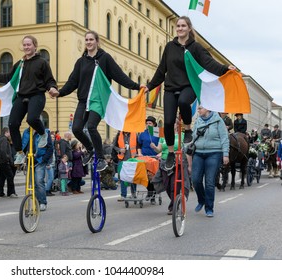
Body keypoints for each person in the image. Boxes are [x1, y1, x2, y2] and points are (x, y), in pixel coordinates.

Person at [146, 16, 235, 170]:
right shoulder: (169, 47)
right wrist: (150, 86)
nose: (180, 28)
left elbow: (209, 63)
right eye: (178, 26)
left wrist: (225, 68)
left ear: (189, 28)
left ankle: (188, 129)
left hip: (189, 86)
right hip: (170, 88)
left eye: (183, 26)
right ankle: (171, 153)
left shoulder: (196, 48)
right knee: (167, 122)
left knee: (183, 102)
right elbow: (161, 70)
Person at [50, 30, 143, 172]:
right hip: (83, 100)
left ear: (97, 42)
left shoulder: (105, 58)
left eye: (91, 39)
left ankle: (100, 158)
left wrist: (136, 86)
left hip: (98, 100)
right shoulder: (81, 62)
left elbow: (119, 76)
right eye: (86, 40)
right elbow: (72, 82)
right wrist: (59, 92)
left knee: (92, 126)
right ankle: (90, 149)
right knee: (76, 129)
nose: (88, 42)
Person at [0, 35, 58, 165]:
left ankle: (43, 133)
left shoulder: (42, 62)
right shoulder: (20, 64)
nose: (26, 47)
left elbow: (49, 80)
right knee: (12, 124)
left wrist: (52, 88)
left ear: (35, 46)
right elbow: (7, 77)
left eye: (29, 44)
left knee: (32, 119)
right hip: (21, 96)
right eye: (25, 45)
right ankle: (20, 153)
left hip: (37, 95)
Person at [191, 106, 229, 218]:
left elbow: (224, 138)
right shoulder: (198, 121)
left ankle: (209, 208)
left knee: (209, 182)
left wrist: (225, 154)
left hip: (214, 153)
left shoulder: (218, 121)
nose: (198, 110)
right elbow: (193, 137)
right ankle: (201, 200)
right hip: (198, 153)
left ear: (208, 109)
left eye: (200, 108)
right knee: (195, 179)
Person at [21, 127, 53, 211]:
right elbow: (23, 145)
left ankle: (42, 202)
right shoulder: (26, 132)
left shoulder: (45, 132)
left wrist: (44, 159)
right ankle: (36, 202)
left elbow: (50, 148)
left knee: (39, 181)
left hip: (40, 160)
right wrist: (23, 158)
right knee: (32, 183)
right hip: (29, 160)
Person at [112, 130, 140, 201]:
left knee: (133, 178)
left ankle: (133, 193)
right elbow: (114, 146)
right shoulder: (119, 134)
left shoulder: (135, 134)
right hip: (122, 160)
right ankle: (123, 195)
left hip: (132, 159)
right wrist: (120, 149)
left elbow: (138, 146)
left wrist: (139, 154)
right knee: (122, 178)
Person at [0, 127, 17, 198]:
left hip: (0, 161)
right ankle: (11, 192)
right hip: (4, 162)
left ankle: (1, 192)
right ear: (6, 132)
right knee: (10, 176)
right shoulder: (4, 139)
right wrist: (7, 159)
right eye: (9, 132)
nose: (10, 134)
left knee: (2, 177)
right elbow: (3, 151)